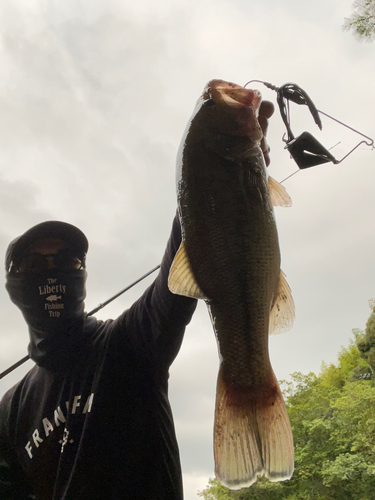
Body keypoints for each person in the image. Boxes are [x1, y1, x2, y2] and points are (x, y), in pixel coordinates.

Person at [0, 99, 274, 500]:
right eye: (36, 266)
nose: (53, 272)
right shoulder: (9, 412)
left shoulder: (130, 343)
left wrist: (216, 180)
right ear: (13, 287)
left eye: (66, 261)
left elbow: (177, 274)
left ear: (83, 275)